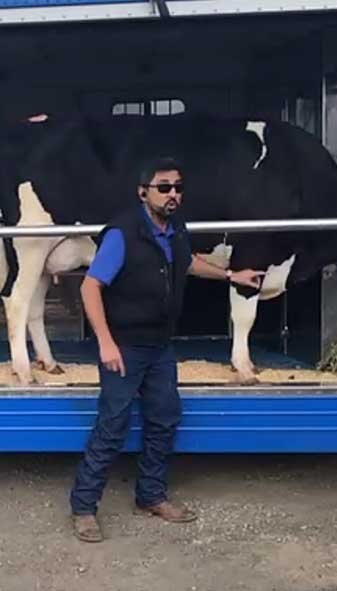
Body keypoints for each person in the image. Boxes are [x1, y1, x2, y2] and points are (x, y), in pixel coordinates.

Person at [70, 157, 263, 543]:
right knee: (112, 426)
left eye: (178, 186)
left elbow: (188, 262)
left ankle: (151, 497)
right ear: (143, 192)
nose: (173, 194)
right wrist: (106, 343)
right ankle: (84, 508)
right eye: (164, 187)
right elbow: (90, 287)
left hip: (160, 346)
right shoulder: (122, 233)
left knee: (164, 420)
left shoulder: (175, 229)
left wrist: (230, 275)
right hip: (124, 347)